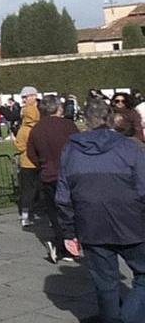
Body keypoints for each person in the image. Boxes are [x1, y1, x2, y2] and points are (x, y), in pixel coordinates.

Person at [56, 97, 145, 323]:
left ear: (86, 120)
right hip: (130, 221)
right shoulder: (129, 147)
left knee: (106, 284)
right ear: (110, 119)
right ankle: (128, 318)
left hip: (91, 223)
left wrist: (68, 231)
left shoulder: (71, 151)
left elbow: (63, 196)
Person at [27, 94, 80, 264]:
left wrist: (42, 164)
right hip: (70, 173)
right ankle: (72, 243)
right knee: (72, 210)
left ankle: (61, 244)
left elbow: (31, 154)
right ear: (58, 108)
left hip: (48, 174)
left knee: (54, 212)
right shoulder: (68, 126)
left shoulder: (37, 129)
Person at [13, 86, 41, 227]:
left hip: (26, 162)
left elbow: (19, 146)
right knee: (40, 188)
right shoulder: (40, 127)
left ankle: (25, 214)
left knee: (27, 190)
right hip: (40, 161)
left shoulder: (24, 130)